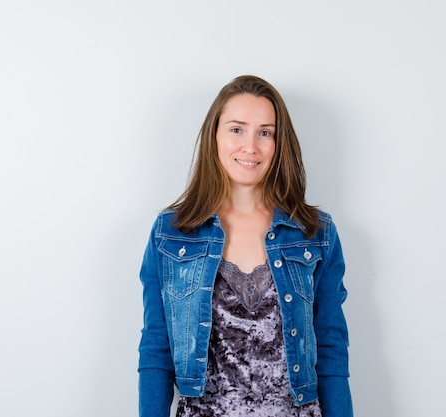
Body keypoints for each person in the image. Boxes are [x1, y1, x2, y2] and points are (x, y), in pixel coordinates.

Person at [137, 75, 352, 417]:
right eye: (237, 129)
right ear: (215, 135)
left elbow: (330, 349)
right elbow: (156, 351)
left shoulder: (315, 233)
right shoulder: (171, 234)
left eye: (265, 132)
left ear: (279, 143)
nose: (250, 146)